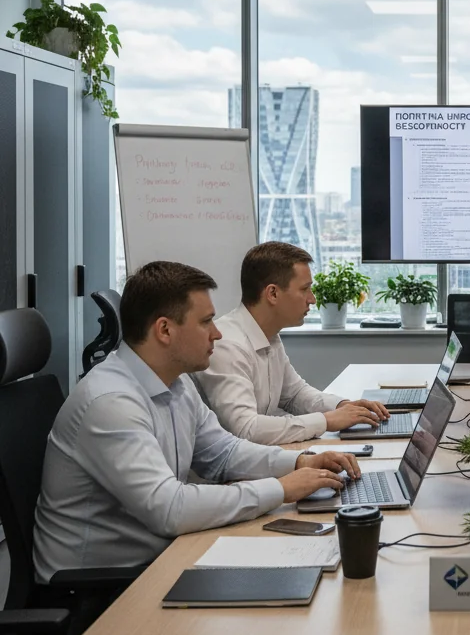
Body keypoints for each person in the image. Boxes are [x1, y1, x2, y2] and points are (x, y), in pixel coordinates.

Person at [34, 262, 360, 582]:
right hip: (96, 590)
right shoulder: (110, 402)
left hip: (161, 557)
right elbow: (169, 510)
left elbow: (223, 453)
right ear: (164, 330)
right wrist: (280, 489)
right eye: (206, 322)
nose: (217, 333)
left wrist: (300, 462)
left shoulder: (175, 382)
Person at [198, 242, 389, 444]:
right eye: (305, 289)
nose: (312, 299)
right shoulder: (227, 345)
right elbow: (246, 429)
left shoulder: (269, 335)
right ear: (272, 294)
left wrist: (342, 406)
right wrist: (325, 420)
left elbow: (294, 395)